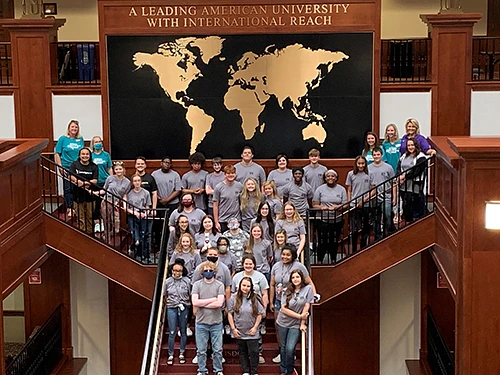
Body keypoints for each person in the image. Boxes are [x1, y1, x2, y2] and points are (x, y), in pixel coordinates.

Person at [270, 244, 318, 364]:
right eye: (283, 254)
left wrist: (315, 295)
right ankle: (282, 353)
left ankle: (289, 355)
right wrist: (271, 301)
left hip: (294, 301)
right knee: (278, 326)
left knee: (290, 338)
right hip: (279, 300)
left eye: (287, 255)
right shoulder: (276, 266)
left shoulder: (299, 267)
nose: (284, 257)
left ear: (293, 255)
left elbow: (309, 283)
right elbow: (272, 284)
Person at [232, 254, 270, 364]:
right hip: (241, 309)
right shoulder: (237, 277)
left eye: (250, 264)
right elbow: (234, 293)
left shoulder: (260, 277)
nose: (248, 266)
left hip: (255, 308)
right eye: (246, 264)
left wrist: (263, 308)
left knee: (256, 332)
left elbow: (264, 293)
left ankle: (259, 352)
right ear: (243, 264)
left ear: (254, 264)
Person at [276, 269, 313, 375]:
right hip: (282, 322)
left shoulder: (308, 289)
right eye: (293, 277)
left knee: (290, 348)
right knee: (283, 348)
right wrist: (299, 316)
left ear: (301, 278)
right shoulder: (286, 290)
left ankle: (290, 371)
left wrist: (302, 322)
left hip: (295, 324)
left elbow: (307, 306)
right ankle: (284, 370)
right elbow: (283, 309)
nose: (295, 279)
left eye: (297, 277)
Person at [191, 261, 225, 375]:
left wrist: (202, 303)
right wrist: (212, 299)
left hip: (216, 322)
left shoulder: (220, 285)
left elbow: (219, 304)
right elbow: (195, 302)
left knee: (218, 350)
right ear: (202, 272)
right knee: (201, 350)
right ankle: (201, 370)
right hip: (201, 322)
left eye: (211, 270)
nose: (208, 272)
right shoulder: (197, 285)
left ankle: (218, 370)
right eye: (206, 270)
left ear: (214, 271)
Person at [228, 277, 265, 375]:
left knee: (254, 352)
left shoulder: (255, 298)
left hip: (252, 331)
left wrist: (255, 327)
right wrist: (233, 329)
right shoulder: (233, 298)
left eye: (248, 286)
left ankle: (254, 372)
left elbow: (260, 314)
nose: (245, 288)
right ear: (240, 285)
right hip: (239, 330)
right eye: (244, 285)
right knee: (242, 352)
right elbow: (229, 313)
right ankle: (245, 371)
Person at [312, 169, 348, 264]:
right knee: (322, 240)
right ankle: (319, 260)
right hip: (322, 219)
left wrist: (336, 207)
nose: (330, 178)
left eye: (332, 176)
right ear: (325, 178)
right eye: (328, 176)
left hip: (337, 219)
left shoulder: (341, 189)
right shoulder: (320, 189)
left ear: (336, 178)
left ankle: (333, 259)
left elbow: (345, 205)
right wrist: (322, 207)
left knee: (334, 240)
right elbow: (314, 204)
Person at [55, 120, 84, 217]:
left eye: (76, 127)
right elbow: (57, 153)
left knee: (76, 187)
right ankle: (70, 207)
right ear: (69, 128)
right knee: (68, 188)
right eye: (72, 127)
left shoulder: (80, 139)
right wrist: (59, 166)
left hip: (77, 167)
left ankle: (77, 207)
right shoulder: (62, 139)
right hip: (66, 166)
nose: (74, 129)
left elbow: (83, 153)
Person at [345, 156, 375, 252]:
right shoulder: (351, 174)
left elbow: (373, 190)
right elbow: (349, 190)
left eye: (363, 163)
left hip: (366, 204)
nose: (361, 165)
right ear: (356, 164)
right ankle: (353, 249)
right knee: (354, 229)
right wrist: (350, 202)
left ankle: (363, 248)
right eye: (359, 163)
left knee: (365, 227)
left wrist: (364, 200)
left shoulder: (370, 174)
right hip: (354, 205)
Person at [151, 156, 182, 248]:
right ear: (161, 163)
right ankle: (158, 246)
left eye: (168, 163)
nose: (166, 164)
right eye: (165, 162)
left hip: (172, 204)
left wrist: (167, 200)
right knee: (158, 226)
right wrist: (160, 199)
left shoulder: (175, 175)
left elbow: (178, 190)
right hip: (159, 204)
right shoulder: (154, 174)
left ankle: (172, 246)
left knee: (172, 226)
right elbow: (153, 189)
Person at [165, 259, 191, 365]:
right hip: (171, 307)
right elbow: (164, 295)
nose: (177, 273)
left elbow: (190, 294)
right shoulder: (167, 282)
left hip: (184, 307)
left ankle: (182, 352)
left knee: (183, 331)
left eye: (179, 271)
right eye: (175, 270)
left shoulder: (187, 281)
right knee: (172, 331)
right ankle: (171, 354)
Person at [397, 138, 428, 223]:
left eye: (412, 145)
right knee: (406, 205)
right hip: (404, 185)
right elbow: (399, 167)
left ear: (416, 146)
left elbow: (417, 171)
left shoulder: (421, 157)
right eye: (408, 145)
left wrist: (405, 176)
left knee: (415, 206)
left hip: (415, 186)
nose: (410, 147)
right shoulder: (404, 156)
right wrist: (399, 176)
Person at [368, 147, 397, 240]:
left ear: (382, 155)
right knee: (375, 217)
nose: (376, 156)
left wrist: (395, 197)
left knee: (387, 214)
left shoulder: (388, 167)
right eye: (374, 155)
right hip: (374, 196)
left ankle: (388, 231)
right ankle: (377, 236)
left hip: (386, 195)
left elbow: (394, 183)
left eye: (378, 155)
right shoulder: (368, 168)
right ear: (372, 156)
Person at [69, 148, 98, 234]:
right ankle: (81, 235)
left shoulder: (94, 166)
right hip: (77, 195)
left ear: (90, 156)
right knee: (80, 217)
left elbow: (95, 180)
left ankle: (89, 234)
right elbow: (71, 176)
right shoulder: (74, 165)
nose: (85, 156)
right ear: (79, 155)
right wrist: (77, 181)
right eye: (83, 154)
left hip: (90, 195)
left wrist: (85, 183)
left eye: (87, 154)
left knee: (89, 217)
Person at [100, 161, 130, 243]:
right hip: (106, 202)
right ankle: (107, 240)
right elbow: (104, 190)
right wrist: (96, 192)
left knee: (116, 225)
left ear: (123, 169)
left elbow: (125, 195)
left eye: (120, 169)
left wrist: (125, 206)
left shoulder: (127, 182)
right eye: (116, 169)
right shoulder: (110, 178)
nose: (118, 171)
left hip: (116, 204)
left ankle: (109, 235)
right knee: (107, 222)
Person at [133, 157, 158, 254]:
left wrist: (153, 209)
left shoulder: (150, 178)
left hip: (147, 210)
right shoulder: (132, 178)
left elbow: (154, 193)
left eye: (142, 164)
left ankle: (146, 253)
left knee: (148, 233)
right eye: (138, 164)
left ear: (145, 165)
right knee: (136, 233)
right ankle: (137, 253)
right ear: (135, 165)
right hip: (135, 212)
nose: (140, 165)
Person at [125, 173, 152, 260]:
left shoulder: (146, 193)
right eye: (135, 181)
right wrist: (134, 213)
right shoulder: (129, 193)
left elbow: (147, 206)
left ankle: (142, 254)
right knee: (134, 233)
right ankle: (134, 249)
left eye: (138, 181)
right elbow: (127, 208)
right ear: (132, 182)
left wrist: (145, 213)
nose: (137, 183)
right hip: (132, 215)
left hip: (143, 215)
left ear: (141, 182)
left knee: (143, 235)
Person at [90, 135, 112, 233]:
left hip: (105, 182)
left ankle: (104, 223)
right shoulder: (90, 155)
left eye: (99, 141)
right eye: (96, 142)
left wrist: (112, 179)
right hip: (94, 182)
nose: (98, 143)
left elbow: (109, 168)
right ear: (92, 144)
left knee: (103, 204)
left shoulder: (106, 155)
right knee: (95, 204)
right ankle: (97, 223)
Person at [213, 165, 243, 233]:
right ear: (225, 174)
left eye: (232, 173)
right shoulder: (218, 187)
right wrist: (216, 222)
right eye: (228, 173)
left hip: (236, 219)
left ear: (235, 174)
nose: (230, 175)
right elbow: (215, 205)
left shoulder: (239, 186)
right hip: (223, 220)